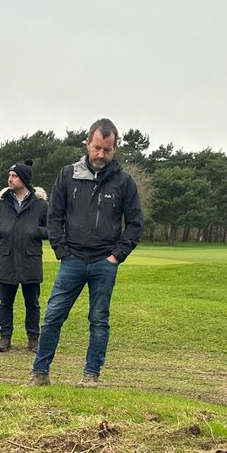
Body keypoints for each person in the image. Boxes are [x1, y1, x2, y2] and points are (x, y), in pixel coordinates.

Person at [28, 119, 143, 388]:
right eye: (97, 148)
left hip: (105, 261)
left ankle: (91, 376)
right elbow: (53, 216)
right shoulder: (68, 175)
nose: (101, 155)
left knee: (99, 320)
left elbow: (135, 223)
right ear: (87, 143)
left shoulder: (124, 182)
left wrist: (117, 255)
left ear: (115, 148)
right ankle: (39, 374)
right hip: (72, 260)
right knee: (53, 316)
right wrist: (62, 251)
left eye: (107, 149)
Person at [0, 160, 47, 352]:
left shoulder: (41, 205)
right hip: (7, 258)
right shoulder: (1, 203)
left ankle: (33, 338)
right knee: (5, 302)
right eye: (9, 176)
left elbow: (53, 229)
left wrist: (36, 231)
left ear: (24, 179)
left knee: (32, 303)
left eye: (14, 176)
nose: (9, 179)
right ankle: (5, 338)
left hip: (30, 259)